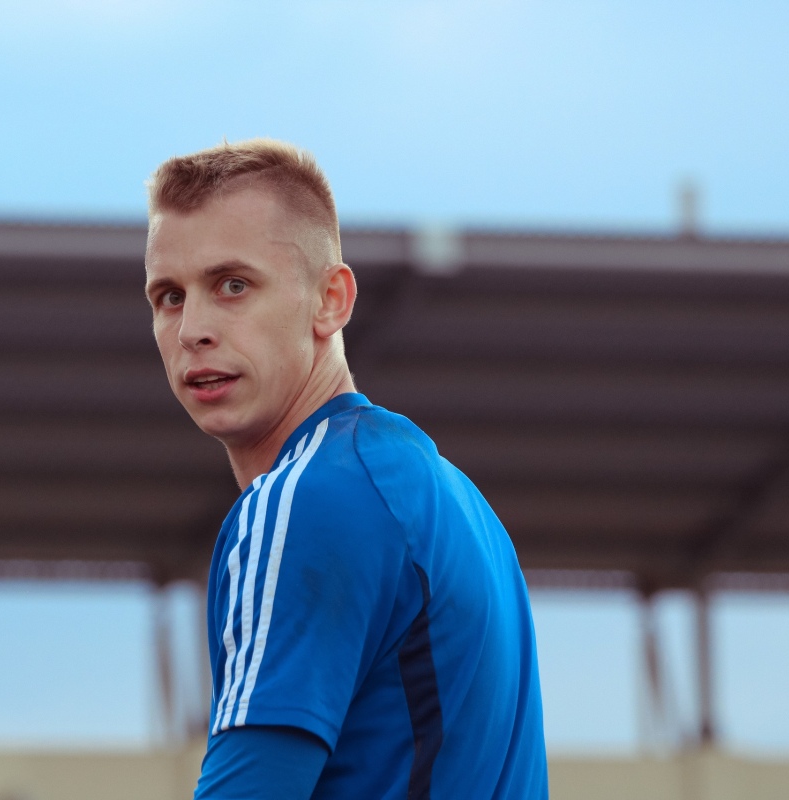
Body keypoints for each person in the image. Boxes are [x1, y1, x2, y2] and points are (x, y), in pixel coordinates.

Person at [143, 139, 547, 799]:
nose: (192, 329)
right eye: (169, 296)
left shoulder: (306, 501)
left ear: (330, 299)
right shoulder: (456, 500)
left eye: (233, 285)